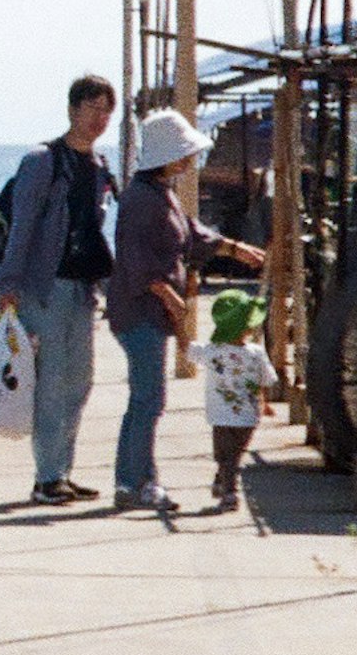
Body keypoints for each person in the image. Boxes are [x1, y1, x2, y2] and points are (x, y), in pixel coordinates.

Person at [0, 75, 121, 506]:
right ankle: (47, 476)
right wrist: (9, 282)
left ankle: (62, 471)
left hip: (81, 286)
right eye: (93, 108)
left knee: (80, 380)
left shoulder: (99, 166)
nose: (100, 118)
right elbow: (23, 225)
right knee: (53, 381)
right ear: (73, 109)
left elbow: (94, 231)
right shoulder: (42, 161)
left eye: (107, 110)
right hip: (44, 285)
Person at [107, 105, 265, 512]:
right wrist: (169, 297)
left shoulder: (159, 195)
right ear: (169, 156)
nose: (192, 159)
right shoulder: (143, 200)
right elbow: (138, 260)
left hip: (146, 312)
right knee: (148, 399)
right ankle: (137, 482)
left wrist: (233, 247)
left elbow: (193, 234)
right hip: (142, 312)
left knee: (145, 398)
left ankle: (131, 481)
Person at [194, 289, 278, 514]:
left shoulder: (212, 352)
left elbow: (189, 350)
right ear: (248, 327)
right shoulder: (256, 353)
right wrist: (264, 402)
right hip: (249, 416)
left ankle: (227, 486)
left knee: (225, 454)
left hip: (220, 415)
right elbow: (266, 379)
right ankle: (226, 485)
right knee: (235, 453)